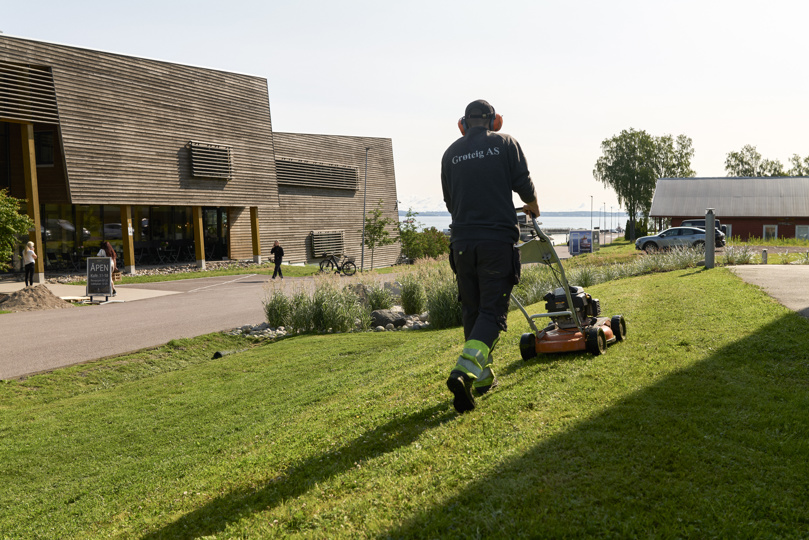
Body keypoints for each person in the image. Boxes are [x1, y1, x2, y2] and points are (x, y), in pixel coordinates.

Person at [441, 99, 540, 413]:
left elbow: (449, 201)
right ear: (494, 121)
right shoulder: (506, 143)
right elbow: (523, 184)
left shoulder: (450, 154)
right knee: (493, 313)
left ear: (464, 124)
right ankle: (464, 372)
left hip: (461, 243)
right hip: (495, 242)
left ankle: (482, 379)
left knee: (472, 309)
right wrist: (533, 205)